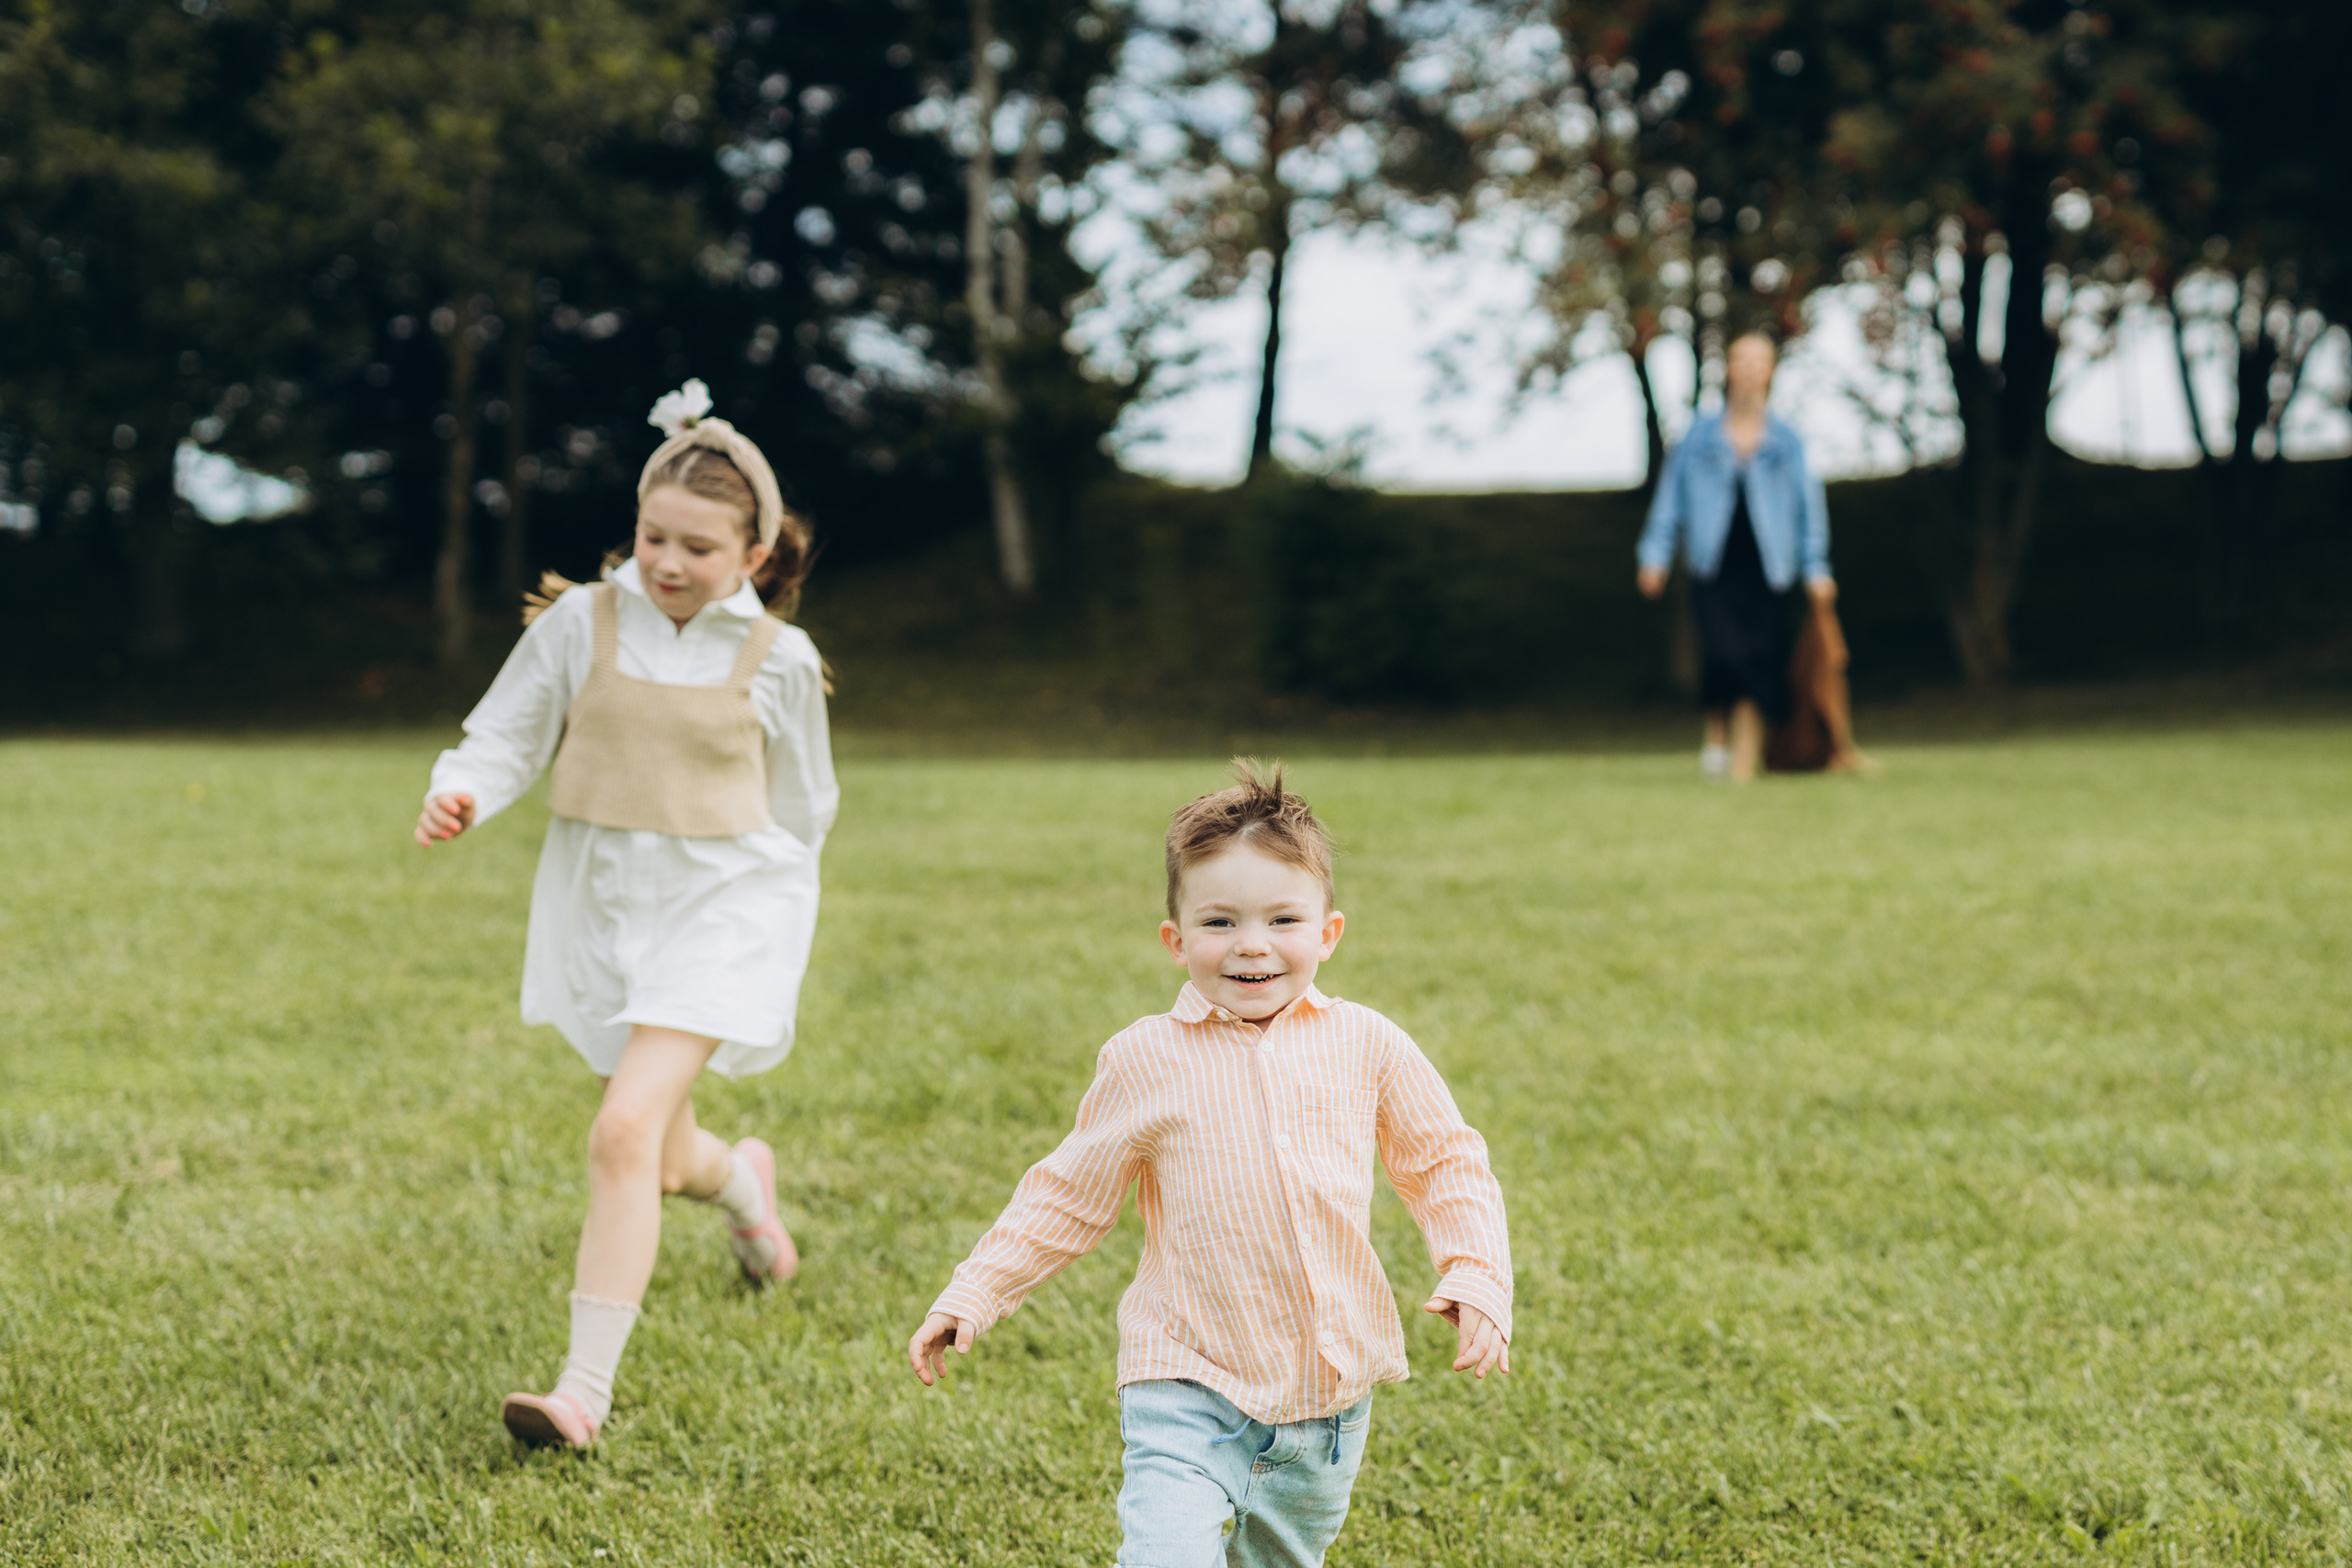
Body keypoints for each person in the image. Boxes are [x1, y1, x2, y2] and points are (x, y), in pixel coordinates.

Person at [906, 762, 1513, 1568]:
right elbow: (1065, 1196)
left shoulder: (1368, 1042)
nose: (1252, 944)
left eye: (1283, 919)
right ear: (1177, 939)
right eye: (1220, 922)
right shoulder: (1144, 1058)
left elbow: (1444, 1162)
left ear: (1328, 931)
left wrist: (1477, 1272)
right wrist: (975, 1291)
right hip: (1186, 1383)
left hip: (1327, 1404)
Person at [415, 379, 837, 1450]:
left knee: (617, 1134)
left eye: (697, 546)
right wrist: (463, 790)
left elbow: (803, 809)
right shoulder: (580, 622)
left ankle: (580, 1395)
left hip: (725, 913)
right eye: (653, 536)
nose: (666, 562)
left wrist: (772, 924)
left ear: (752, 554)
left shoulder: (777, 660)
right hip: (604, 914)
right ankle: (743, 1185)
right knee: (657, 1151)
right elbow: (507, 736)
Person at [1636, 332, 1836, 782]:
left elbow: (1809, 507)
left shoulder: (1787, 440)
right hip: (1713, 563)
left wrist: (1816, 568)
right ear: (1728, 369)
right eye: (1739, 360)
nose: (1747, 370)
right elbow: (1672, 499)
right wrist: (1655, 554)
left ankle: (1746, 754)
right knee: (1723, 654)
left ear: (1770, 371)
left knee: (1761, 655)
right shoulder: (1699, 436)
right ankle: (1717, 737)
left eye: (1757, 361)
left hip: (1771, 567)